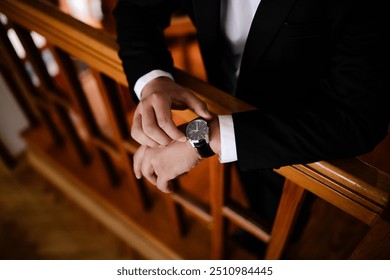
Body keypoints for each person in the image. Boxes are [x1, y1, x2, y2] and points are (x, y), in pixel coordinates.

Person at [113, 0, 389, 213]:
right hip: (222, 92)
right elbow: (136, 7)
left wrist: (204, 139)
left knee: (278, 201)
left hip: (295, 127)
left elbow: (358, 117)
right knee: (248, 186)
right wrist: (155, 82)